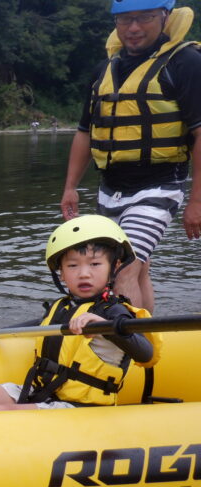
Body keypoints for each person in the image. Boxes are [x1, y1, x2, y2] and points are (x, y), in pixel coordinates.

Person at [0, 215, 160, 413]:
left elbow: (145, 353)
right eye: (72, 266)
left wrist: (107, 327)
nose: (84, 274)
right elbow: (41, 324)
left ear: (115, 266)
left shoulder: (115, 311)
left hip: (81, 408)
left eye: (95, 264)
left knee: (0, 412)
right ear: (61, 273)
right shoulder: (63, 305)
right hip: (45, 392)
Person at [60, 0, 201, 314]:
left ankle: (124, 348)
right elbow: (85, 131)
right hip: (110, 188)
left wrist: (197, 200)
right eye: (125, 20)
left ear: (164, 17)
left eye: (144, 18)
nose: (134, 28)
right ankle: (147, 341)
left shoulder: (186, 62)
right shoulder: (104, 70)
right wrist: (70, 187)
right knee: (139, 266)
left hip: (160, 186)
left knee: (120, 267)